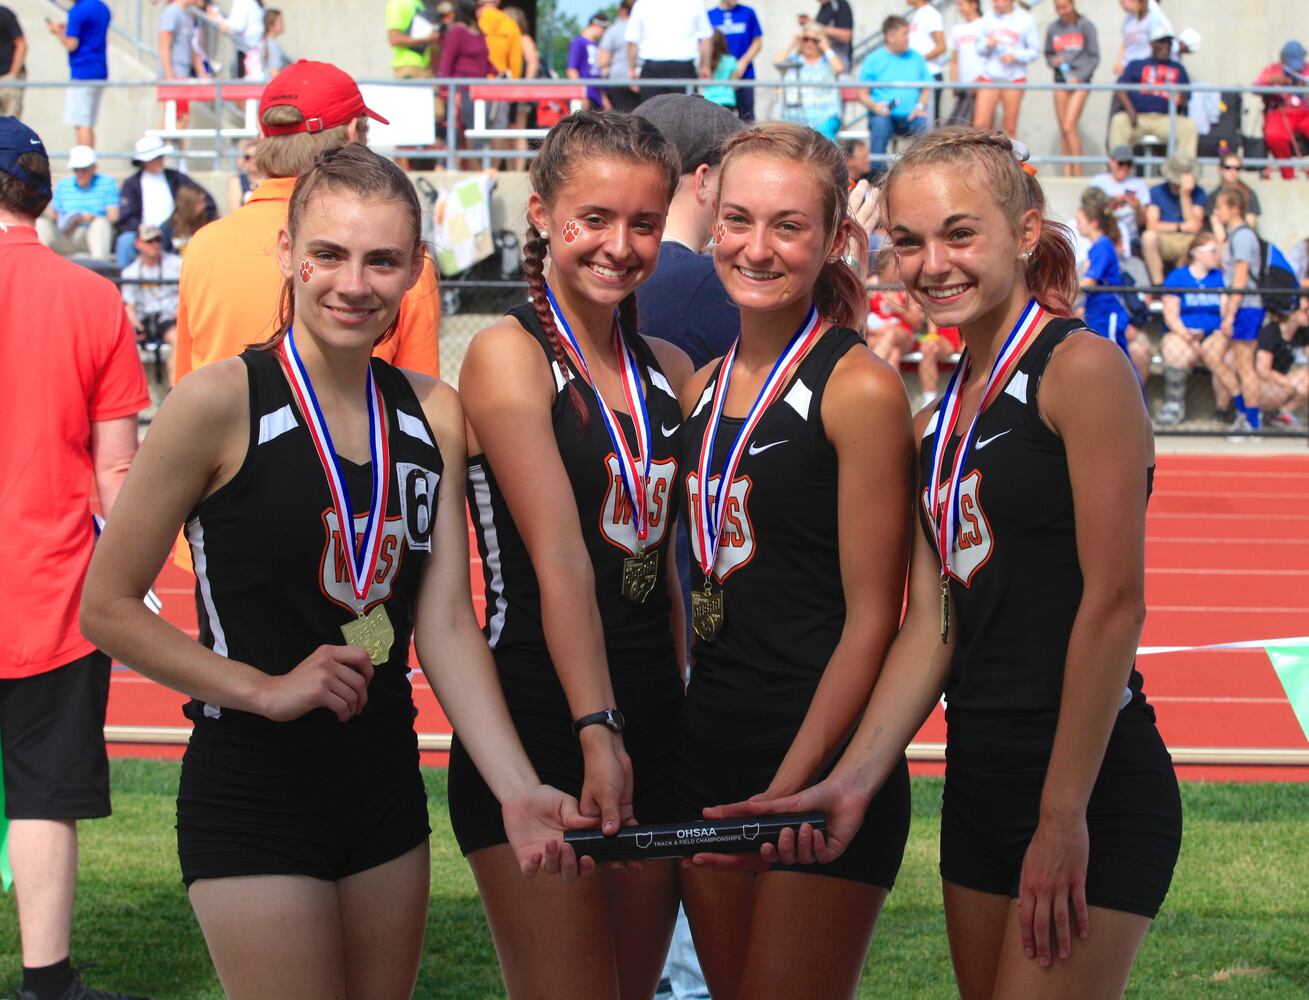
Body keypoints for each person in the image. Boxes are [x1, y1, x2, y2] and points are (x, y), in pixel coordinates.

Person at [81, 143, 591, 1000]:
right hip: (252, 784)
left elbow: (445, 622)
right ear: (287, 252)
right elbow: (107, 607)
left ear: (415, 272)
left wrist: (517, 789)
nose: (353, 284)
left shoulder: (432, 409)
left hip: (383, 782)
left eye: (382, 260)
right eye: (328, 254)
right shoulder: (216, 401)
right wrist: (264, 688)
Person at [708, 125, 1182, 1000]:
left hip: (1085, 782)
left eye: (959, 234)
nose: (933, 264)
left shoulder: (1081, 370)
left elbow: (1114, 604)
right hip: (979, 779)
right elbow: (931, 624)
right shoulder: (939, 414)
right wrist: (850, 781)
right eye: (910, 241)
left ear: (1025, 232)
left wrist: (1061, 814)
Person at [448, 111, 687, 998]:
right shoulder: (506, 357)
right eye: (593, 218)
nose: (618, 246)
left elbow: (665, 569)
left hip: (653, 721)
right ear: (542, 212)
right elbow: (560, 561)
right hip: (547, 717)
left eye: (643, 223)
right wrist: (598, 729)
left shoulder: (668, 365)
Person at [673, 120, 912, 999]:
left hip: (812, 763)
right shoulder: (700, 387)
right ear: (707, 214)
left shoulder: (858, 389)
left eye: (788, 226)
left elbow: (870, 617)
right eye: (739, 219)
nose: (757, 248)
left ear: (833, 240)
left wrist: (796, 782)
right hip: (709, 752)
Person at [0, 115, 151, 1000]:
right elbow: (118, 469)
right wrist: (135, 589)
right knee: (44, 792)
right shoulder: (93, 300)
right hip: (50, 585)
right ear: (45, 194)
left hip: (47, 580)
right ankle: (46, 979)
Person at [174, 59, 440, 387]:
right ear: (353, 132)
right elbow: (419, 408)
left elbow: (184, 387)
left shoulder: (203, 245)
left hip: (220, 436)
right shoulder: (393, 255)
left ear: (261, 136)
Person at [1158, 232, 1236, 425]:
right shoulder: (1178, 277)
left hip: (1214, 334)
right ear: (1197, 254)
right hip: (1185, 334)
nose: (1217, 256)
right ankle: (1174, 405)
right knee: (1174, 349)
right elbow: (1171, 314)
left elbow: (1226, 311)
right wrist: (1185, 333)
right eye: (1212, 251)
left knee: (1224, 356)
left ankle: (1223, 410)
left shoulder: (1220, 278)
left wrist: (1218, 331)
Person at [1076, 194, 1151, 383]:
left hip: (1108, 312)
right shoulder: (1097, 247)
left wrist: (1064, 290)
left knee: (1117, 362)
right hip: (1098, 313)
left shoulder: (1103, 246)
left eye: (1080, 221)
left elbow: (1090, 282)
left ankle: (1134, 406)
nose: (1078, 226)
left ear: (1093, 223)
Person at [115, 136, 216, 269]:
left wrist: (182, 220)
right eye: (155, 158)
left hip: (173, 229)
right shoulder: (131, 184)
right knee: (125, 241)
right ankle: (123, 282)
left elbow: (205, 200)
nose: (160, 160)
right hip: (142, 231)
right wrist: (140, 229)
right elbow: (126, 216)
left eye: (160, 156)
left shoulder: (175, 178)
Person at [1213, 186, 1267, 432]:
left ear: (1234, 208)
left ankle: (1252, 421)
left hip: (1246, 307)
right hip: (1239, 306)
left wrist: (1231, 314)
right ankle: (1242, 407)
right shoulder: (1233, 235)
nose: (1216, 211)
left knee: (1245, 365)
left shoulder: (1243, 236)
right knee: (1211, 353)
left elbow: (1241, 279)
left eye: (1221, 206)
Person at [1108, 25, 1196, 163]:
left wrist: (1181, 99)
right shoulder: (1136, 65)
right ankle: (1119, 170)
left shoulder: (1178, 68)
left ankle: (1183, 173)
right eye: (1161, 41)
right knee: (1119, 121)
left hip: (1166, 119)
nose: (1166, 46)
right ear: (1152, 44)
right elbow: (1121, 88)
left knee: (1189, 126)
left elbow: (1186, 95)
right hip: (1139, 118)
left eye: (1169, 42)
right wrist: (1130, 110)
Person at [859, 16, 932, 172]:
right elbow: (862, 93)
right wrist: (875, 107)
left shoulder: (916, 57)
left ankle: (922, 173)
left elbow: (927, 86)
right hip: (884, 115)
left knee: (926, 127)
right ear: (890, 36)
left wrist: (920, 105)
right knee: (879, 125)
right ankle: (879, 180)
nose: (908, 38)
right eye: (904, 34)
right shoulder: (873, 60)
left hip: (912, 116)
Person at [120, 223, 183, 383]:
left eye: (158, 239)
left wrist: (181, 312)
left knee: (177, 337)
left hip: (169, 317)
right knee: (121, 339)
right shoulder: (131, 272)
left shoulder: (178, 264)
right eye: (150, 241)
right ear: (138, 244)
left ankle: (173, 389)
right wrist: (133, 323)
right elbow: (130, 306)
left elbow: (189, 293)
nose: (155, 244)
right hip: (144, 319)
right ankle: (127, 386)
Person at [439, 1, 497, 167]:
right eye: (479, 8)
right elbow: (446, 63)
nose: (483, 10)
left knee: (477, 137)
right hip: (462, 92)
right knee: (462, 137)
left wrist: (499, 71)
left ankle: (479, 173)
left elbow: (484, 61)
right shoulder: (457, 31)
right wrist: (446, 93)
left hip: (480, 92)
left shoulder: (479, 32)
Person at [1045, 0, 1099, 177]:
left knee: (1069, 125)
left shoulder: (1086, 26)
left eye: (1065, 7)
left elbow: (1094, 56)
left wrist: (1080, 77)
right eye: (1058, 8)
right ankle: (1067, 172)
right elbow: (1048, 53)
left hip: (1080, 82)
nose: (1062, 11)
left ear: (1073, 4)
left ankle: (1078, 170)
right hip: (1061, 79)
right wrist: (1054, 61)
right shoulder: (1053, 27)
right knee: (1063, 128)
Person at [36, 144, 118, 259]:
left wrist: (90, 218)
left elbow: (113, 217)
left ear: (94, 167)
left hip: (90, 234)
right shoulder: (64, 184)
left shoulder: (107, 183)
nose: (79, 173)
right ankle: (36, 267)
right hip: (65, 235)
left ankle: (100, 267)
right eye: (76, 169)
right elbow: (53, 214)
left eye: (83, 169)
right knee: (41, 224)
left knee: (100, 225)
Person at [48, 0, 110, 148]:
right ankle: (89, 160)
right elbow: (90, 31)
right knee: (88, 123)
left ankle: (84, 165)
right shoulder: (102, 8)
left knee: (81, 123)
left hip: (83, 72)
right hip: (99, 70)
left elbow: (71, 44)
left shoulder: (77, 11)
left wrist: (59, 32)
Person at [972, 0, 1039, 138]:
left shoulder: (1025, 19)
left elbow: (1035, 50)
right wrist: (987, 44)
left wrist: (1015, 56)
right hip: (990, 77)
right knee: (979, 125)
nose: (995, 3)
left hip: (1014, 78)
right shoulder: (988, 18)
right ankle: (981, 159)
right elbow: (978, 48)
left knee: (1009, 127)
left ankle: (1010, 159)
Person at [625, 0, 712, 106]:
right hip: (683, 67)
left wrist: (631, 69)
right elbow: (706, 38)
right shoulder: (695, 3)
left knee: (650, 115)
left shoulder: (642, 3)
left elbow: (632, 41)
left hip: (653, 67)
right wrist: (705, 66)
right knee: (685, 115)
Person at [1140, 154, 1205, 287]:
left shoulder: (1199, 193)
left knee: (1199, 242)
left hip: (1187, 241)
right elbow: (1151, 224)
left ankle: (1180, 284)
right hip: (1166, 238)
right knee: (1148, 237)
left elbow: (1194, 226)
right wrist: (1179, 227)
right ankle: (1158, 285)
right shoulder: (1157, 191)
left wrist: (1185, 195)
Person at [774, 26, 845, 143]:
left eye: (814, 40)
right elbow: (777, 62)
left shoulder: (827, 61)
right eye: (806, 39)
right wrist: (793, 43)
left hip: (825, 116)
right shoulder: (794, 60)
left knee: (823, 141)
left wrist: (826, 46)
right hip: (793, 116)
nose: (809, 43)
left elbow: (839, 68)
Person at [1254, 41, 1309, 180]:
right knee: (1274, 135)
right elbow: (1255, 87)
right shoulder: (1272, 70)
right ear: (1282, 58)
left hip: (1305, 112)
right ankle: (1288, 174)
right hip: (1280, 112)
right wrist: (1273, 81)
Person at [867, 246, 925, 371]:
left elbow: (918, 324)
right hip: (876, 334)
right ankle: (887, 390)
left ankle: (867, 374)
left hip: (903, 335)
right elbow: (858, 320)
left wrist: (899, 310)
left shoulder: (906, 288)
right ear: (883, 268)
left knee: (891, 335)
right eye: (896, 266)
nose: (899, 270)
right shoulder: (869, 286)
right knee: (893, 353)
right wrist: (878, 330)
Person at [158, 0, 209, 139]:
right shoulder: (172, 12)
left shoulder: (186, 15)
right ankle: (155, 150)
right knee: (175, 119)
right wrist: (170, 78)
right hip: (174, 75)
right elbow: (164, 44)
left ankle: (177, 158)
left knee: (182, 119)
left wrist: (201, 72)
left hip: (182, 75)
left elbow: (191, 47)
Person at [707, 0, 763, 121]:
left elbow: (757, 42)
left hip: (745, 74)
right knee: (720, 121)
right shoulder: (710, 15)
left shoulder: (748, 12)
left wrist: (743, 63)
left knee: (747, 118)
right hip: (719, 80)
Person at [1088, 145, 1149, 255]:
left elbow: (1143, 222)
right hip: (1102, 235)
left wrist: (1137, 208)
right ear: (1111, 162)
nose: (1125, 168)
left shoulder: (1139, 184)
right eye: (1121, 163)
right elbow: (1090, 212)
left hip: (1130, 238)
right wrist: (1111, 202)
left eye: (1129, 164)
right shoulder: (1098, 181)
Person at [1256, 303, 1309, 425]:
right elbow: (1262, 370)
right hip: (1263, 381)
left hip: (1285, 378)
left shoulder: (1303, 332)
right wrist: (1290, 383)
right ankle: (1257, 414)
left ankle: (1281, 413)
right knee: (1279, 392)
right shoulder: (1271, 331)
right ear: (1292, 314)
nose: (1308, 314)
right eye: (1305, 311)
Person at [946, 0, 984, 126]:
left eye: (961, 4)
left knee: (980, 126)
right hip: (963, 89)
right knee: (961, 126)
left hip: (983, 86)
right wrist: (954, 83)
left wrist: (981, 79)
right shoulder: (957, 29)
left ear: (974, 4)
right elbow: (954, 60)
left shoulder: (986, 25)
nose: (959, 8)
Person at [906, 0, 946, 120]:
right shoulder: (918, 14)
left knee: (930, 123)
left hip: (931, 74)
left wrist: (918, 61)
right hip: (919, 76)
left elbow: (941, 46)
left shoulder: (931, 14)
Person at [1208, 153, 1261, 240]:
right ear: (1220, 169)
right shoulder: (1214, 196)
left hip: (1242, 238)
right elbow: (1216, 225)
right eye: (1228, 167)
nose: (1233, 172)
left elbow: (1250, 225)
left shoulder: (1249, 193)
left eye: (1237, 168)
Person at [206, 0, 265, 78]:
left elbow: (237, 26)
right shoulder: (253, 2)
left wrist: (216, 18)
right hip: (254, 51)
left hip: (247, 54)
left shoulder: (242, 2)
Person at [598, 2, 638, 113]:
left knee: (624, 118)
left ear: (622, 10)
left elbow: (602, 61)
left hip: (619, 79)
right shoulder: (648, 27)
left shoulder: (613, 30)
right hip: (646, 77)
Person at [1114, 0, 1172, 76]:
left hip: (1145, 69)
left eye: (1122, 2)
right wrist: (1119, 62)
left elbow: (1158, 42)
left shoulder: (1152, 17)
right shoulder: (1128, 19)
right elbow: (1125, 43)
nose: (1121, 6)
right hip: (1127, 68)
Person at [567, 13, 609, 111]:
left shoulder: (597, 45)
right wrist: (581, 95)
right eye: (604, 29)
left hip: (596, 97)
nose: (604, 33)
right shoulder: (578, 43)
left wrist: (603, 97)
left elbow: (598, 74)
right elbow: (572, 71)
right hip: (583, 97)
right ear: (595, 25)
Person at [386, 0, 434, 80]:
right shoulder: (397, 3)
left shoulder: (418, 3)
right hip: (408, 67)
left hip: (424, 67)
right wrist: (427, 39)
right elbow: (394, 39)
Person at [805, 0, 853, 73]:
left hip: (837, 59)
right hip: (821, 62)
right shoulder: (824, 7)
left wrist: (816, 27)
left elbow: (846, 36)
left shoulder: (840, 5)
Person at [166, 184, 214, 254]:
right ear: (188, 205)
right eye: (199, 203)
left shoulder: (206, 223)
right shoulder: (168, 228)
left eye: (204, 201)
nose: (204, 206)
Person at [702, 30, 738, 111]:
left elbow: (702, 81)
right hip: (727, 100)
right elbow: (735, 82)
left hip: (709, 99)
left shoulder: (705, 62)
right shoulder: (731, 60)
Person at [226, 138, 264, 214]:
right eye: (248, 157)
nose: (252, 160)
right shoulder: (237, 181)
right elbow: (234, 212)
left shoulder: (273, 179)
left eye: (256, 156)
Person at [0, 5, 25, 119]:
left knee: (11, 124)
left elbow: (21, 44)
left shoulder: (4, 14)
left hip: (8, 78)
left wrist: (13, 75)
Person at [261, 7, 290, 74]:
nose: (283, 24)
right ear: (270, 25)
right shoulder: (272, 45)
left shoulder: (263, 42)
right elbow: (274, 72)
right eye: (280, 21)